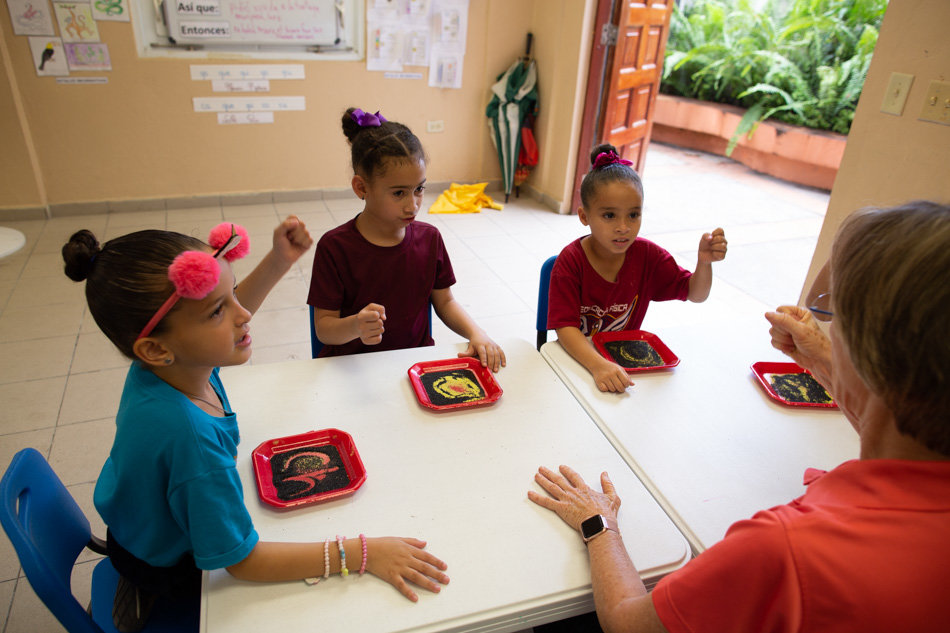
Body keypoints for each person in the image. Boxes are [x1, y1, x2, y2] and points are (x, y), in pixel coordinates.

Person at [529, 200, 950, 632]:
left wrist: (598, 523)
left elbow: (628, 623)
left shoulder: (780, 549)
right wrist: (825, 361)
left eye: (835, 317)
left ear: (869, 352)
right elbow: (896, 413)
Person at [63, 217, 450, 632]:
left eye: (231, 295)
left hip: (139, 523)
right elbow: (242, 563)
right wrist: (361, 553)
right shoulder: (190, 440)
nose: (243, 314)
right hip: (166, 564)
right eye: (218, 311)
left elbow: (206, 322)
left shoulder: (168, 366)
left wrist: (278, 260)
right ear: (155, 347)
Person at [308, 107, 506, 371]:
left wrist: (476, 333)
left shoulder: (429, 238)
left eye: (419, 189)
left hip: (412, 365)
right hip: (352, 370)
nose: (412, 205)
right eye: (399, 193)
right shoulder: (334, 248)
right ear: (361, 188)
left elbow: (445, 301)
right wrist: (355, 325)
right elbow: (324, 329)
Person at [547, 144, 727, 392]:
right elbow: (565, 329)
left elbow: (696, 294)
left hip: (623, 362)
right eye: (609, 215)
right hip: (579, 361)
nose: (623, 227)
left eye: (633, 215)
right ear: (584, 216)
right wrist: (598, 366)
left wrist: (704, 263)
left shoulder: (648, 256)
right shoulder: (570, 262)